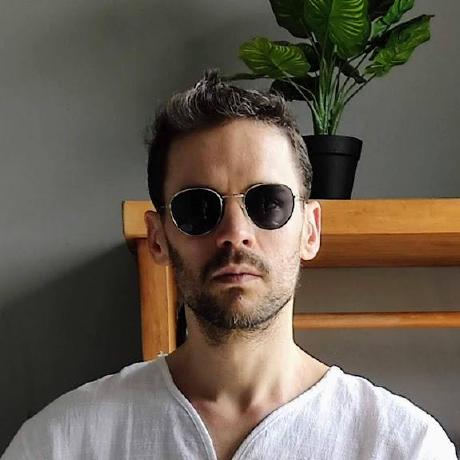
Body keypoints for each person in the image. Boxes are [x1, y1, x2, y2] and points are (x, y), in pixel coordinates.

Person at [2, 70, 457, 460]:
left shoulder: (404, 447)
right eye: (199, 207)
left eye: (268, 202)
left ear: (310, 230)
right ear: (158, 237)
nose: (235, 233)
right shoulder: (61, 444)